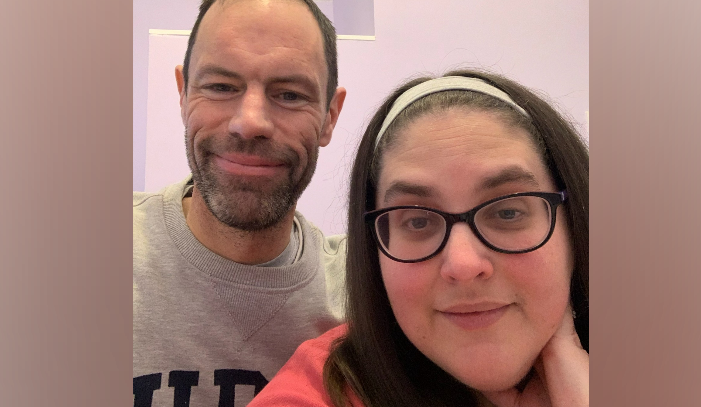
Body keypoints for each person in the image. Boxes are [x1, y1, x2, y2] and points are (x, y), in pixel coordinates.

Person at [246, 69, 589, 407]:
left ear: (573, 225)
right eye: (418, 221)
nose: (463, 264)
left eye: (507, 213)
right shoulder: (316, 392)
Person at [133, 0, 347, 405]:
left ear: (329, 117)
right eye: (220, 87)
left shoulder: (365, 297)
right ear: (183, 95)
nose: (250, 122)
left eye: (289, 93)